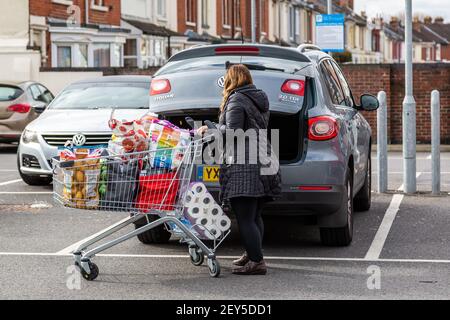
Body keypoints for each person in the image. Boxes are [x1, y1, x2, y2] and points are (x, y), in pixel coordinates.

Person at [197, 64, 281, 275]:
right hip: (263, 157)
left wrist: (210, 129)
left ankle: (257, 261)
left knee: (244, 217)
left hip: (245, 163)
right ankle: (253, 253)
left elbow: (233, 131)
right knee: (254, 215)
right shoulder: (258, 98)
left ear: (231, 80)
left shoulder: (236, 99)